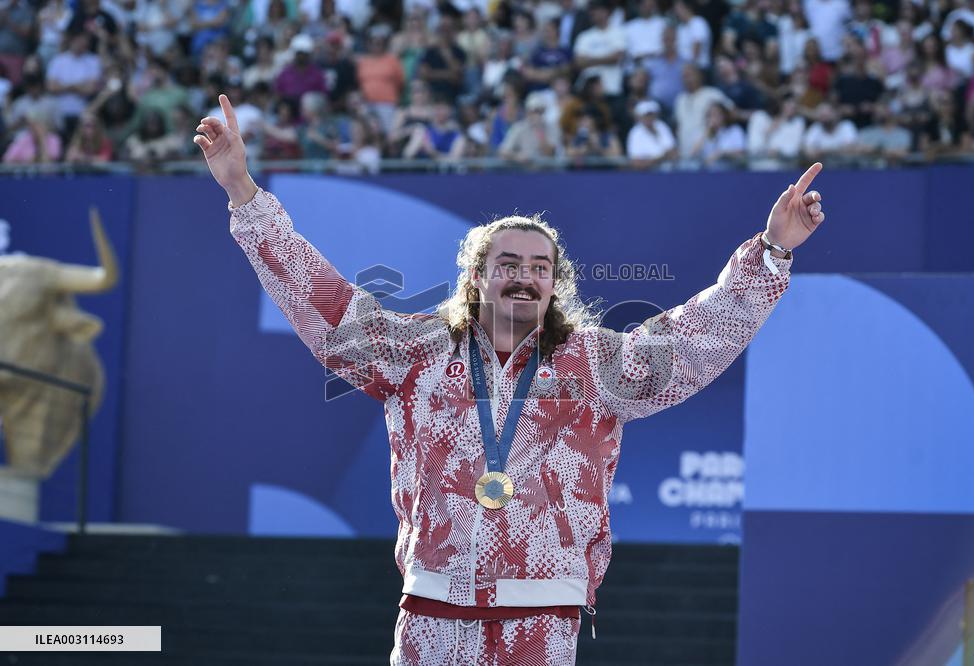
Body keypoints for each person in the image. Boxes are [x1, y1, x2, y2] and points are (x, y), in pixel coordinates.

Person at [194, 93, 827, 665]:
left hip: (542, 611)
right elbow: (322, 301)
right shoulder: (414, 353)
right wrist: (243, 193)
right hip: (432, 607)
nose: (523, 276)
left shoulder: (596, 366)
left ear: (556, 283)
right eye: (507, 264)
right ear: (477, 277)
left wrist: (771, 252)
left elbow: (696, 338)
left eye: (538, 266)